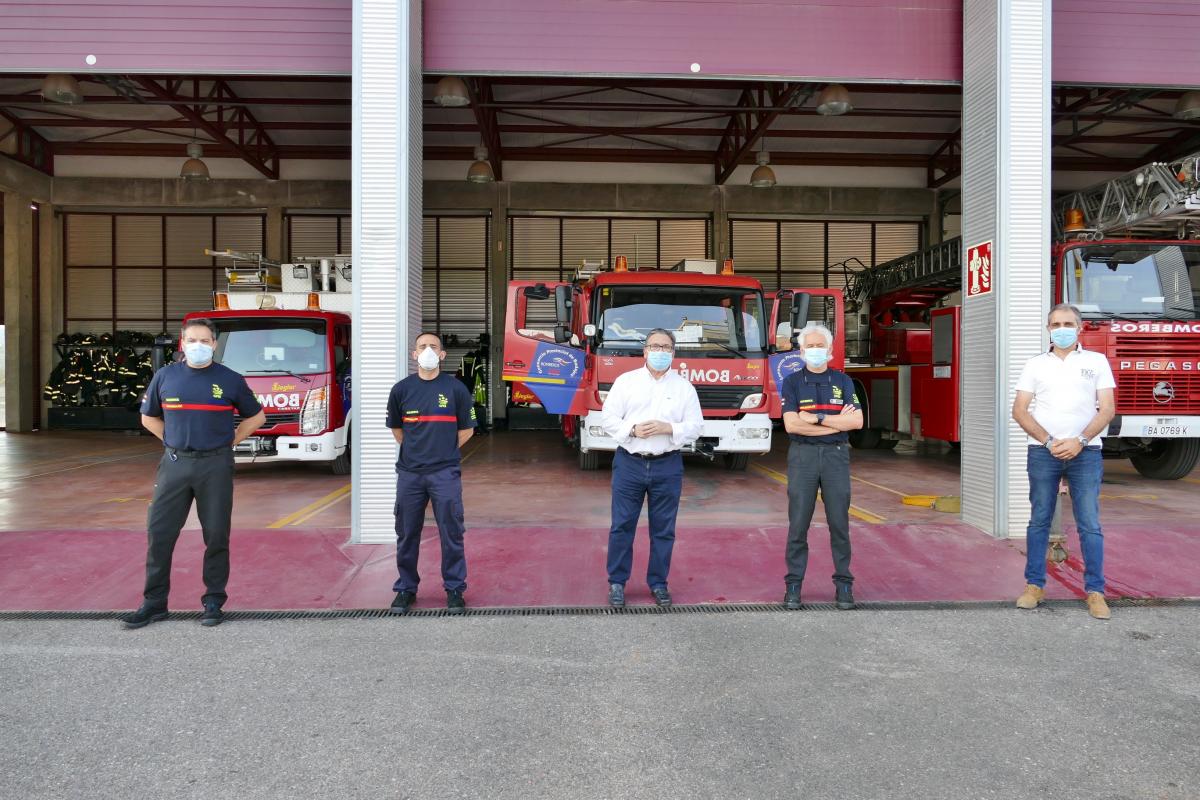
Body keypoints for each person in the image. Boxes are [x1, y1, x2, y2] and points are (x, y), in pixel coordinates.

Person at [123, 318, 265, 629]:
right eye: (191, 340)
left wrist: (231, 441)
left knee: (215, 535)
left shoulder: (230, 380)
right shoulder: (165, 377)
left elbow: (257, 416)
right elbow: (149, 419)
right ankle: (154, 602)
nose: (197, 345)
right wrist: (172, 442)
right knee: (160, 533)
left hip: (215, 464)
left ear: (214, 344)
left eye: (204, 340)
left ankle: (213, 599)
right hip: (175, 464)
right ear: (182, 343)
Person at [1012, 303, 1116, 619]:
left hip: (1086, 453)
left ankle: (1095, 593)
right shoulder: (1035, 365)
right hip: (1044, 452)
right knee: (1039, 520)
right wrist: (1049, 441)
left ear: (1080, 327)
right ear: (1048, 330)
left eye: (1068, 323)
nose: (1062, 328)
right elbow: (1019, 410)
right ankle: (1034, 586)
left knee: (1089, 523)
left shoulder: (1097, 362)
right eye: (1055, 324)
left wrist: (1079, 441)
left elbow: (1107, 409)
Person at [600, 328, 703, 608]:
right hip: (629, 463)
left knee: (663, 529)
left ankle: (658, 583)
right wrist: (632, 429)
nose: (660, 352)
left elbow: (695, 426)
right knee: (622, 526)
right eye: (654, 347)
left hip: (667, 464)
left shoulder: (684, 387)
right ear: (644, 351)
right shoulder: (626, 382)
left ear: (673, 352)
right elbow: (607, 418)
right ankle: (617, 583)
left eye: (665, 347)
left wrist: (669, 427)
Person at [386, 332, 477, 615]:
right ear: (414, 354)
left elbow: (467, 429)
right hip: (410, 475)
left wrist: (443, 452)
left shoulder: (455, 389)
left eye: (433, 347)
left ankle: (454, 589)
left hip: (445, 474)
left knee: (452, 532)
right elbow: (397, 431)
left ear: (442, 355)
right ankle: (406, 588)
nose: (427, 350)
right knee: (406, 532)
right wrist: (418, 451)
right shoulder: (401, 390)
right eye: (422, 346)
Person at [779, 323, 863, 611]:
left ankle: (844, 586)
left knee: (839, 524)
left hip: (836, 458)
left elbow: (856, 422)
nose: (815, 351)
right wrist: (834, 421)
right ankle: (793, 587)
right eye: (810, 346)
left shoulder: (843, 381)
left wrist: (815, 420)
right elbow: (791, 425)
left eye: (820, 346)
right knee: (798, 524)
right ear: (801, 351)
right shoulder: (791, 382)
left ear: (829, 350)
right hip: (802, 458)